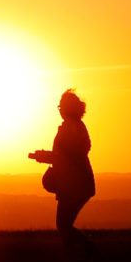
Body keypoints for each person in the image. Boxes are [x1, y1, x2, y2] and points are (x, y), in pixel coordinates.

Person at [28, 89, 95, 233]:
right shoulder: (74, 126)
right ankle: (82, 253)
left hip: (74, 185)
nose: (59, 110)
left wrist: (43, 156)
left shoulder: (72, 127)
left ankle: (89, 253)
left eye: (61, 107)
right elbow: (67, 155)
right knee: (64, 226)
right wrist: (44, 156)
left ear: (67, 108)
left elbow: (68, 156)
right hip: (74, 184)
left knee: (64, 226)